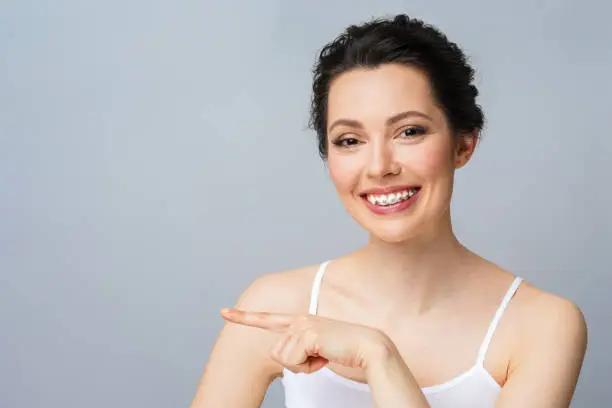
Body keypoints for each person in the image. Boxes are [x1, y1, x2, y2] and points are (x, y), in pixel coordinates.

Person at [189, 14, 588, 408]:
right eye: (349, 140)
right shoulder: (275, 306)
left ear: (463, 145)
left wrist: (379, 357)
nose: (379, 166)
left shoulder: (542, 326)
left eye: (409, 132)